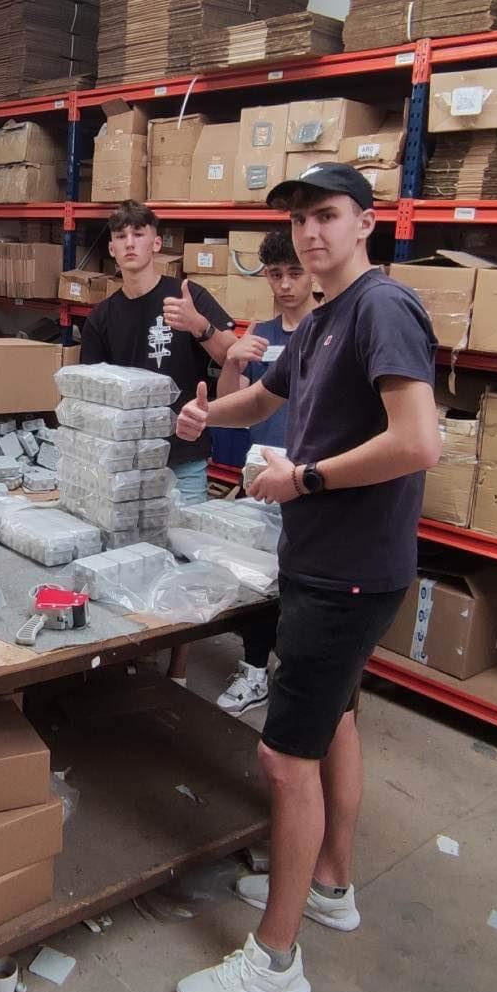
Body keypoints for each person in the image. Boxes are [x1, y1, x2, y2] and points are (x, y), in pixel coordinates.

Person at [171, 163, 440, 992]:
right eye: (298, 221)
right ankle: (329, 884)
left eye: (326, 215)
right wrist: (207, 416)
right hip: (329, 559)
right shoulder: (323, 317)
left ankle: (275, 960)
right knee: (335, 725)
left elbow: (419, 441)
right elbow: (262, 398)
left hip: (347, 569)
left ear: (366, 222)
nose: (310, 233)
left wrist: (306, 479)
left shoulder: (381, 308)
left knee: (285, 759)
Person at [211, 228, 316, 715]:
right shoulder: (261, 336)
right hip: (259, 477)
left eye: (295, 272)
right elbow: (231, 404)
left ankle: (301, 683)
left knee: (301, 590)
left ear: (313, 272)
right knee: (256, 581)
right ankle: (255, 672)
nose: (286, 285)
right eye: (276, 274)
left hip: (311, 481)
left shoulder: (329, 331)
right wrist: (232, 362)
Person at [79, 200, 236, 503]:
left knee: (188, 533)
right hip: (126, 462)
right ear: (111, 248)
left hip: (184, 458)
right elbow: (92, 396)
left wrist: (199, 325)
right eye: (121, 236)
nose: (130, 243)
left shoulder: (187, 297)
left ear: (156, 243)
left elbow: (233, 357)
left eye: (139, 234)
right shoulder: (101, 317)